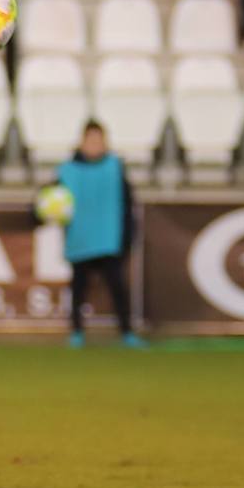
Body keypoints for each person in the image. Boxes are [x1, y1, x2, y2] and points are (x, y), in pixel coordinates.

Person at [56, 121, 142, 350]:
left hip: (109, 240)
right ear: (82, 142)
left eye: (99, 140)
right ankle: (76, 333)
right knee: (78, 289)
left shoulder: (115, 167)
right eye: (91, 140)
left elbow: (128, 204)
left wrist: (127, 236)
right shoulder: (67, 170)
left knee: (118, 287)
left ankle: (126, 333)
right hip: (80, 239)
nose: (95, 145)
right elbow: (50, 199)